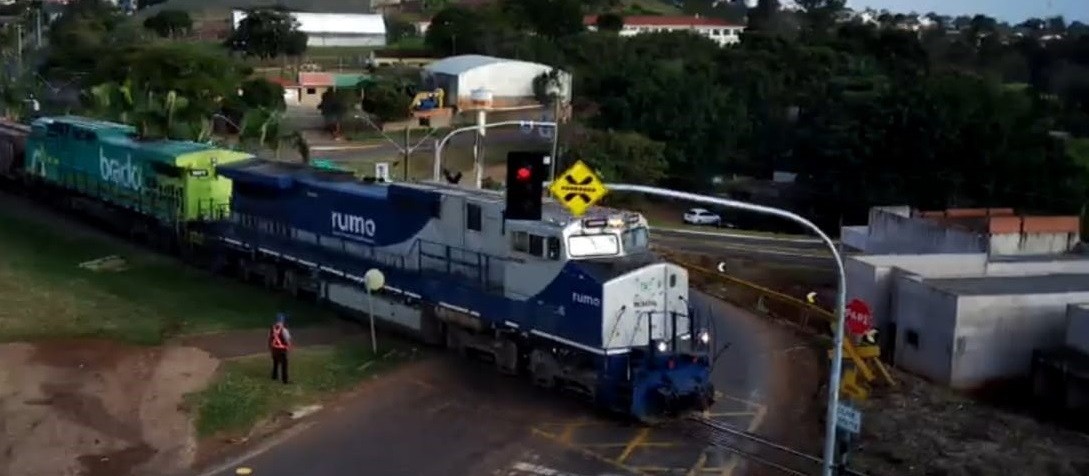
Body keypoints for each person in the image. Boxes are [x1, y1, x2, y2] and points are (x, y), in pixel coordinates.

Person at [269, 313, 292, 384]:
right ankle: (285, 380)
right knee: (284, 365)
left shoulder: (272, 328)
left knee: (275, 363)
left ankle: (274, 376)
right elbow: (287, 339)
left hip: (274, 349)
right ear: (282, 321)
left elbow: (270, 338)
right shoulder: (284, 330)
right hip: (282, 350)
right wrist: (288, 346)